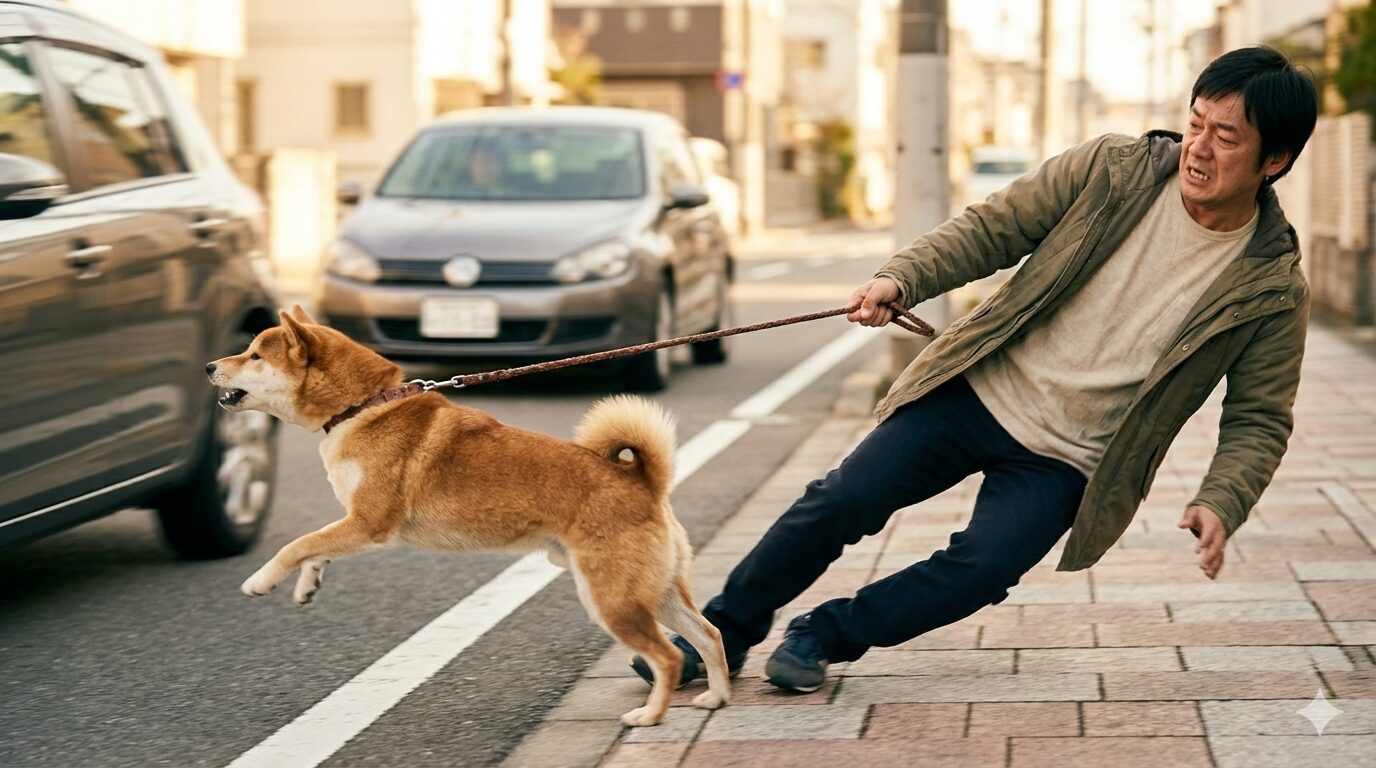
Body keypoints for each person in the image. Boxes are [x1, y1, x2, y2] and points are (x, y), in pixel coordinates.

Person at [633, 45, 1318, 693]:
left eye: (1226, 138)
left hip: (1069, 457)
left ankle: (823, 634)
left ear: (1274, 161)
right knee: (840, 501)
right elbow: (994, 227)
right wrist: (902, 278)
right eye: (1196, 122)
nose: (1198, 148)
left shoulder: (1271, 285)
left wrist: (1222, 498)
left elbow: (1259, 416)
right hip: (979, 390)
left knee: (982, 570)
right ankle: (722, 630)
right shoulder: (1114, 170)